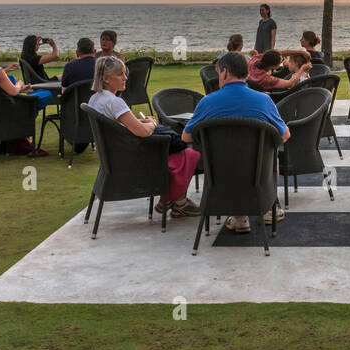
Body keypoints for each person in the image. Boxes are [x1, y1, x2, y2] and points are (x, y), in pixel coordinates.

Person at [183, 51, 289, 233]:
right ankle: (270, 207)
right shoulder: (263, 100)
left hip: (220, 173)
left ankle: (239, 217)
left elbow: (186, 137)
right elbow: (285, 135)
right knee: (270, 154)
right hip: (257, 173)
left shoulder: (207, 102)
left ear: (223, 73)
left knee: (229, 158)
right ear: (247, 74)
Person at [89, 56, 200, 218]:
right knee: (188, 153)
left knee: (179, 151)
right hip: (130, 158)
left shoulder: (96, 99)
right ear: (106, 78)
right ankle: (177, 201)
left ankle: (175, 201)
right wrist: (152, 124)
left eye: (124, 73)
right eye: (120, 74)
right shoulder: (114, 102)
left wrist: (141, 122)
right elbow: (142, 132)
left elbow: (117, 126)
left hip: (113, 155)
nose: (126, 77)